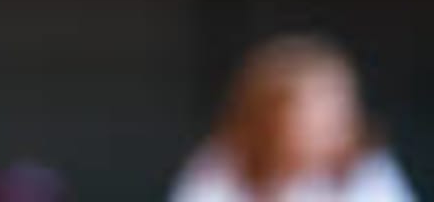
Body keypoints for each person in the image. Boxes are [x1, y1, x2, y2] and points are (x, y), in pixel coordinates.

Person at [172, 35, 417, 202]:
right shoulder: (221, 168)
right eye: (311, 113)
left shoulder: (368, 169)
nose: (329, 125)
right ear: (268, 118)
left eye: (338, 111)